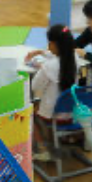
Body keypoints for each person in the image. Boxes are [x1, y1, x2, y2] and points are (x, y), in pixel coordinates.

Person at [26, 25, 77, 160]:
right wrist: (40, 52)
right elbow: (56, 56)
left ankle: (42, 149)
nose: (48, 45)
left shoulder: (49, 66)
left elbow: (35, 87)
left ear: (55, 44)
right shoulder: (75, 59)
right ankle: (65, 137)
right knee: (47, 102)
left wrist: (41, 68)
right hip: (73, 113)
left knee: (29, 112)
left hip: (55, 114)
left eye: (50, 42)